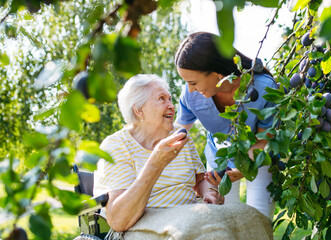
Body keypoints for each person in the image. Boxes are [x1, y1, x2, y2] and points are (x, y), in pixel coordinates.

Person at [93, 74, 223, 233]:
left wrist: (209, 192)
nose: (171, 106)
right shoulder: (116, 146)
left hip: (191, 218)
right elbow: (119, 221)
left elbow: (200, 180)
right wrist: (156, 163)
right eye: (162, 99)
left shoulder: (180, 136)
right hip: (143, 226)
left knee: (244, 215)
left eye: (170, 99)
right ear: (139, 110)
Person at [174, 31, 277, 219]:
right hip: (218, 165)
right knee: (222, 221)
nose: (189, 89)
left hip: (259, 159)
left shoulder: (262, 88)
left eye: (193, 82)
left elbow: (264, 140)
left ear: (217, 74)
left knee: (260, 220)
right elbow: (175, 136)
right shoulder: (191, 96)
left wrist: (244, 169)